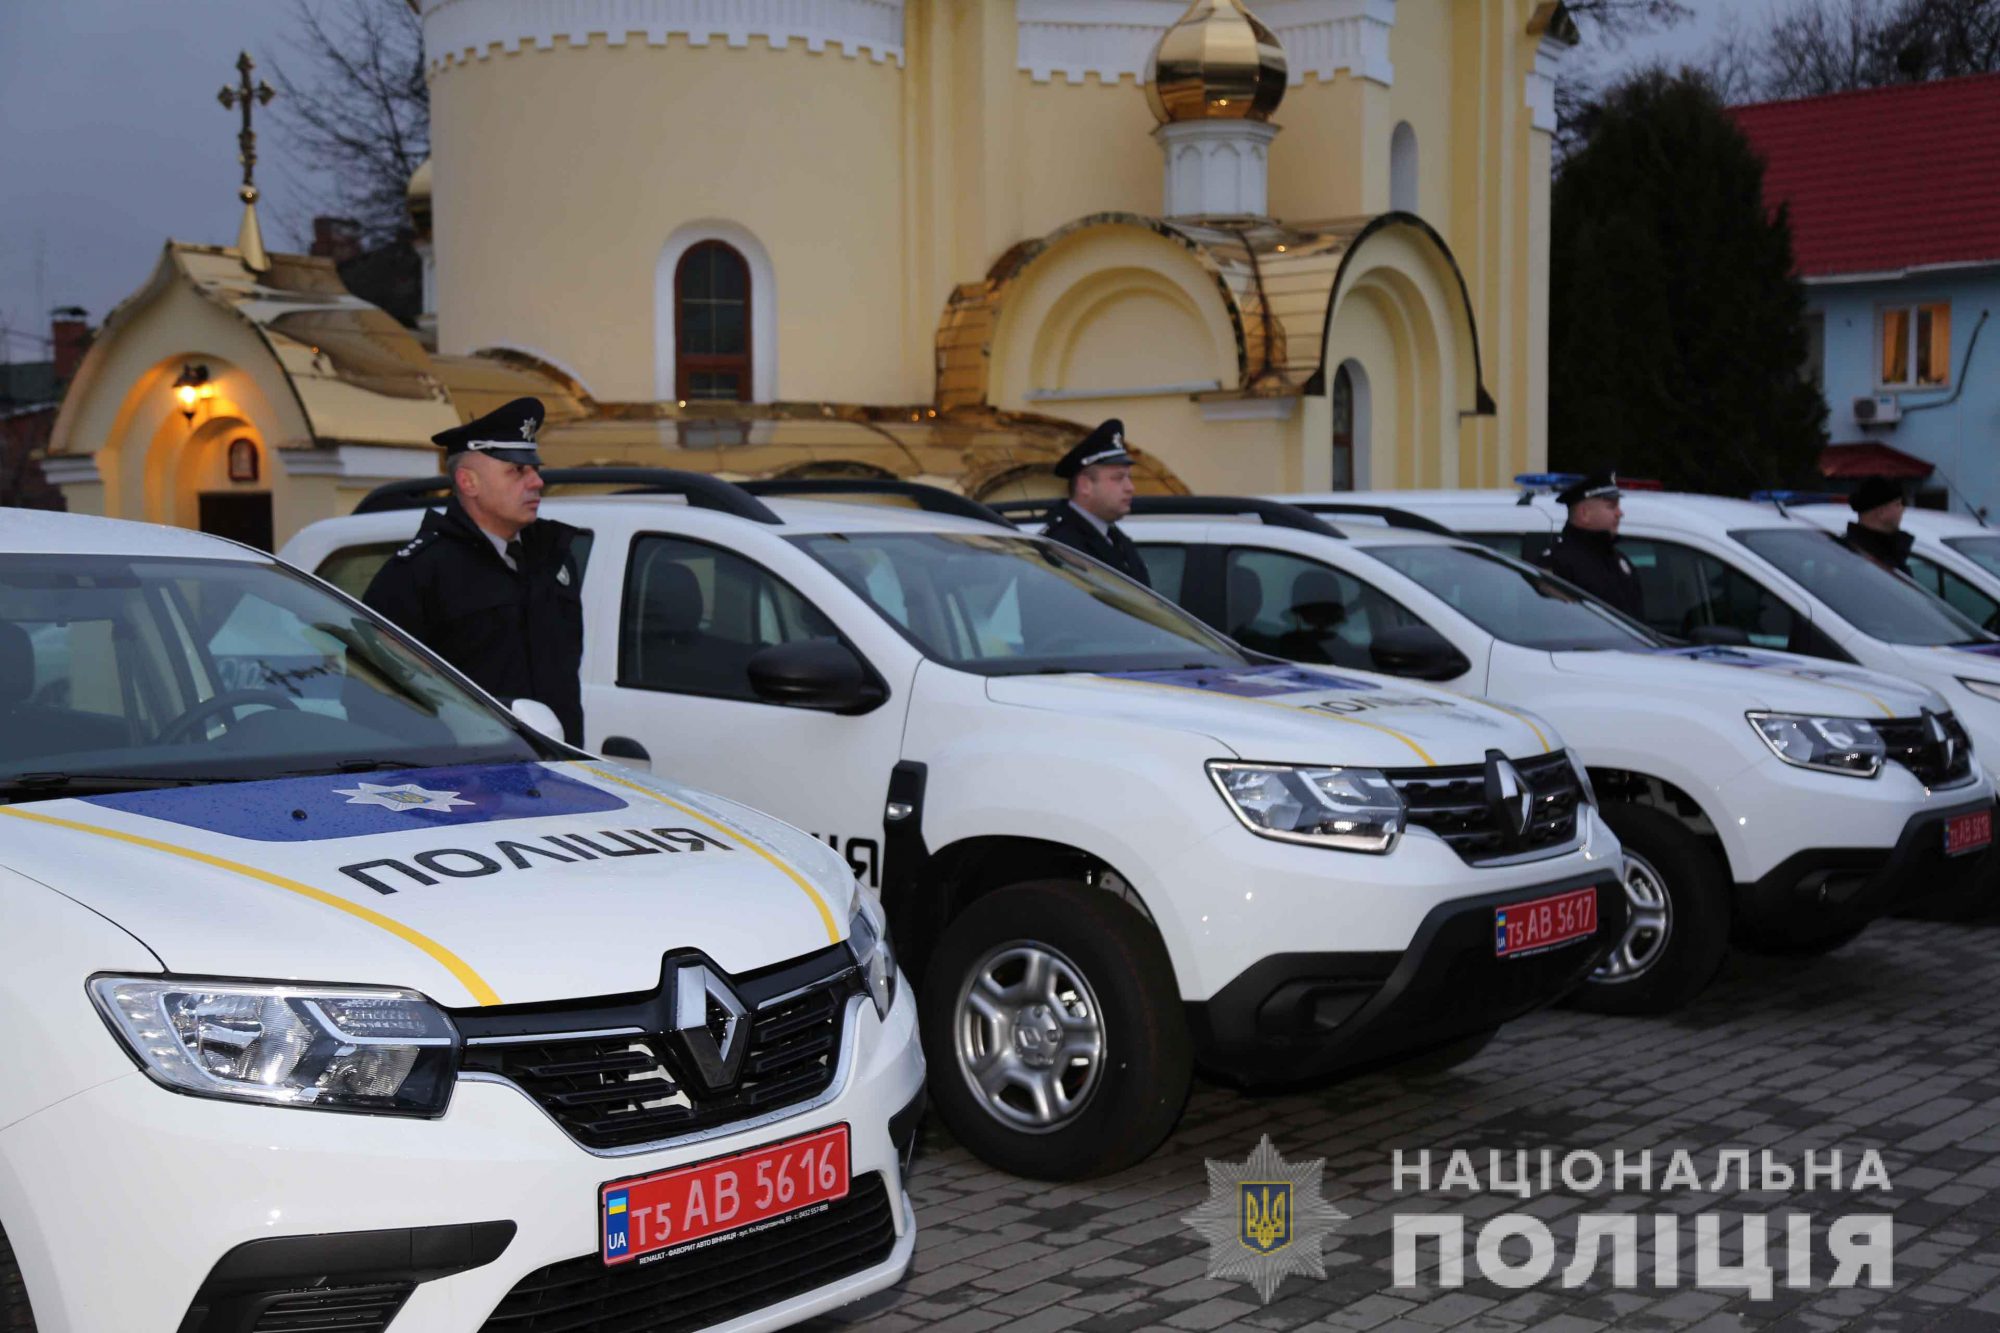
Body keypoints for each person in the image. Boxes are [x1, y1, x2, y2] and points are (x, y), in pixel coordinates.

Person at [363, 397, 587, 744]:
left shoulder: (552, 559)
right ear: (469, 483)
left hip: (557, 771)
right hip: (470, 783)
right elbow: (374, 697)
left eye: (535, 469)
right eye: (517, 470)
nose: (536, 482)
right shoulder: (419, 573)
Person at [1040, 419, 1151, 587]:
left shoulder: (1115, 539)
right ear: (1085, 485)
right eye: (1118, 478)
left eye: (1129, 477)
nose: (1130, 487)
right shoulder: (1061, 546)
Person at [1531, 470, 1644, 619]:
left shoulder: (1618, 560)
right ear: (1584, 514)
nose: (1620, 513)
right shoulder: (1559, 563)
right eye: (1612, 506)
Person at [1839, 475, 1913, 575]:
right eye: (1898, 504)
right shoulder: (1856, 559)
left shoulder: (1890, 551)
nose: (1902, 510)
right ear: (1881, 512)